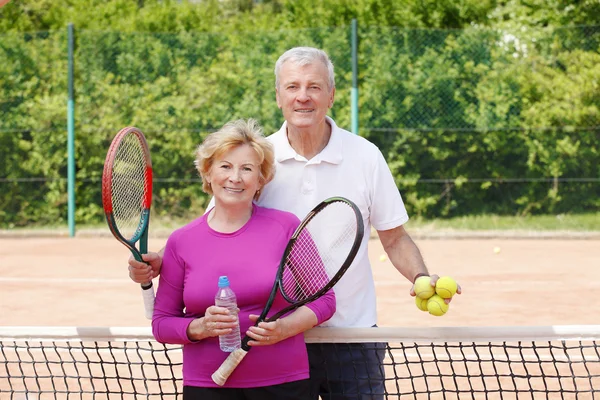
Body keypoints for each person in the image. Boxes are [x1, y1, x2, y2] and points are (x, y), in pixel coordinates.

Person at [130, 47, 461, 399]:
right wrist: (162, 259)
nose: (303, 96)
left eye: (314, 87)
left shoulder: (365, 156)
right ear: (278, 96)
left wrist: (420, 277)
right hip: (277, 345)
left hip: (351, 334)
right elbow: (215, 227)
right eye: (292, 87)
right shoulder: (255, 159)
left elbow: (394, 238)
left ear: (331, 95)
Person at [151, 118, 336, 400]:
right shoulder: (181, 241)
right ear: (208, 173)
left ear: (261, 179)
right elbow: (162, 323)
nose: (235, 177)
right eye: (225, 166)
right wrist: (198, 327)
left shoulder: (287, 227)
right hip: (207, 387)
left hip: (284, 384)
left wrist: (284, 329)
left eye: (247, 169)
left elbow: (325, 300)